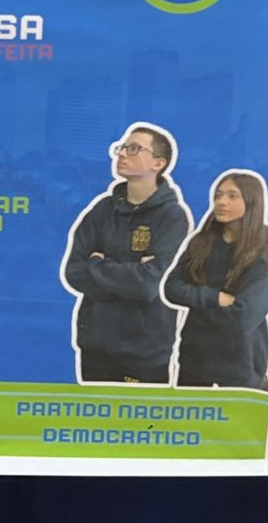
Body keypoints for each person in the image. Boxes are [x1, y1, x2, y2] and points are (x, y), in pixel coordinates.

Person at [61, 124, 191, 384]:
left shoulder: (173, 216)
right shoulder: (102, 209)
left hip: (144, 351)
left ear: (158, 163)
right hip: (95, 348)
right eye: (121, 148)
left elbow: (149, 285)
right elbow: (73, 272)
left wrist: (97, 265)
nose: (121, 154)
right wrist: (130, 276)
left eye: (133, 149)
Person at [163, 171, 268, 390]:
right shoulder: (201, 241)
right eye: (218, 195)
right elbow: (171, 288)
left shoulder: (265, 254)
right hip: (193, 364)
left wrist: (196, 306)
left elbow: (243, 319)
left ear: (251, 201)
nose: (221, 202)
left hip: (241, 369)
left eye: (232, 196)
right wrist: (214, 297)